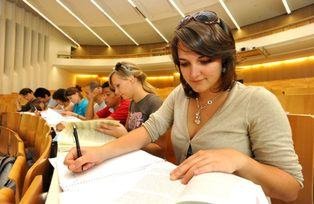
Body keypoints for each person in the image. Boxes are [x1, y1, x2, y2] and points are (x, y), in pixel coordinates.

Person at [65, 11, 303, 202]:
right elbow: (148, 130)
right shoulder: (180, 94)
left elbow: (291, 188)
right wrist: (97, 153)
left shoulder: (257, 101)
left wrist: (239, 160)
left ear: (225, 60)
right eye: (184, 63)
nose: (193, 74)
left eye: (205, 61)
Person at [96, 62, 163, 155]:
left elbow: (159, 149)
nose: (116, 92)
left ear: (131, 79)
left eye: (118, 86)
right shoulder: (132, 103)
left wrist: (124, 135)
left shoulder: (154, 102)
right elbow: (128, 132)